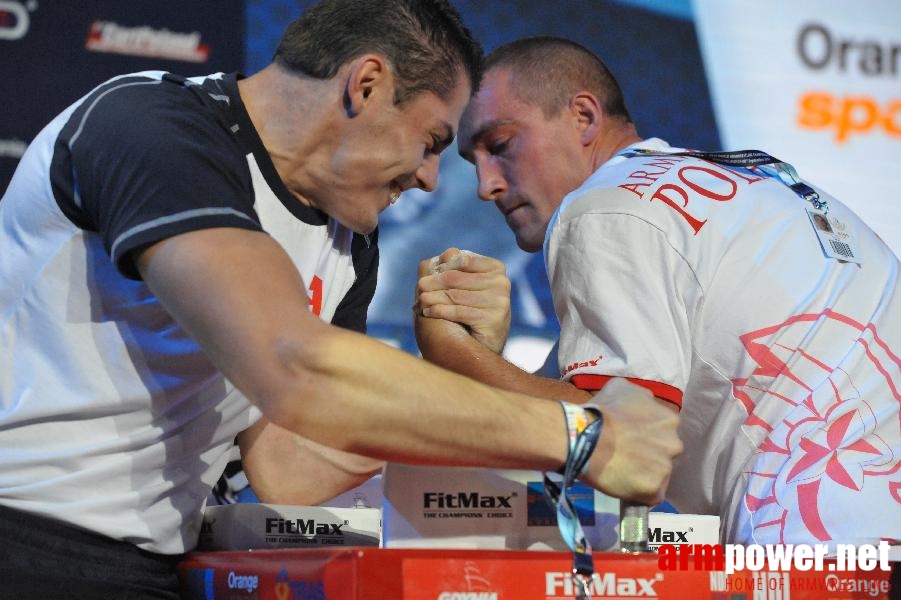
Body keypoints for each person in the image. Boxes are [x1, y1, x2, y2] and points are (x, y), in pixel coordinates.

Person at [0, 4, 683, 598]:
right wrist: (579, 435)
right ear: (366, 84)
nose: (425, 178)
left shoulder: (346, 238)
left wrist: (453, 362)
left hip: (159, 564)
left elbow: (288, 467)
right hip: (27, 543)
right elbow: (295, 368)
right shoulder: (149, 124)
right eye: (432, 142)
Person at [414, 36, 901, 549]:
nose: (485, 185)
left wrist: (455, 353)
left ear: (583, 116)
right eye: (474, 161)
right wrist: (493, 359)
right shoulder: (752, 187)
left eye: (501, 145)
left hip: (832, 548)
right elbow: (581, 412)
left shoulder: (605, 207)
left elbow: (618, 447)